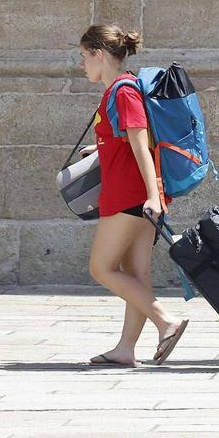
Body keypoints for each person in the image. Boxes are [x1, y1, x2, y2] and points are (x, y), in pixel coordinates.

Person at [78, 24, 188, 367]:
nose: (82, 64)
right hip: (138, 195)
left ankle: (166, 322)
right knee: (136, 273)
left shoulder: (124, 91)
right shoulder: (120, 90)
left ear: (99, 54)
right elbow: (125, 142)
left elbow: (142, 145)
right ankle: (126, 349)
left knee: (101, 268)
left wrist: (154, 196)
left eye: (84, 56)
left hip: (129, 196)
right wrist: (100, 151)